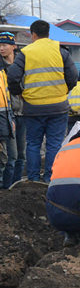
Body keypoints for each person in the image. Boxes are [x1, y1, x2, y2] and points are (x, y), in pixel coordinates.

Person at [7, 19, 78, 183]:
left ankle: (33, 180)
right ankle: (50, 178)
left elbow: (13, 76)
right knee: (54, 145)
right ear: (48, 34)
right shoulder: (60, 51)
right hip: (58, 107)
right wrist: (64, 90)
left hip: (33, 107)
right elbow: (73, 76)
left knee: (33, 144)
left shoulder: (26, 52)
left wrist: (19, 93)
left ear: (33, 35)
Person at [0, 33, 24, 185]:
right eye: (0, 45)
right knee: (11, 154)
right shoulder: (1, 67)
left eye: (4, 45)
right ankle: (7, 185)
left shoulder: (22, 64)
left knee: (22, 153)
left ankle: (17, 183)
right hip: (8, 114)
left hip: (23, 113)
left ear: (14, 47)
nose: (1, 48)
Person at [0, 43, 16, 189]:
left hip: (8, 117)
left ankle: (7, 188)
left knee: (11, 157)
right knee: (4, 157)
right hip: (4, 118)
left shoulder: (4, 72)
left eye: (4, 45)